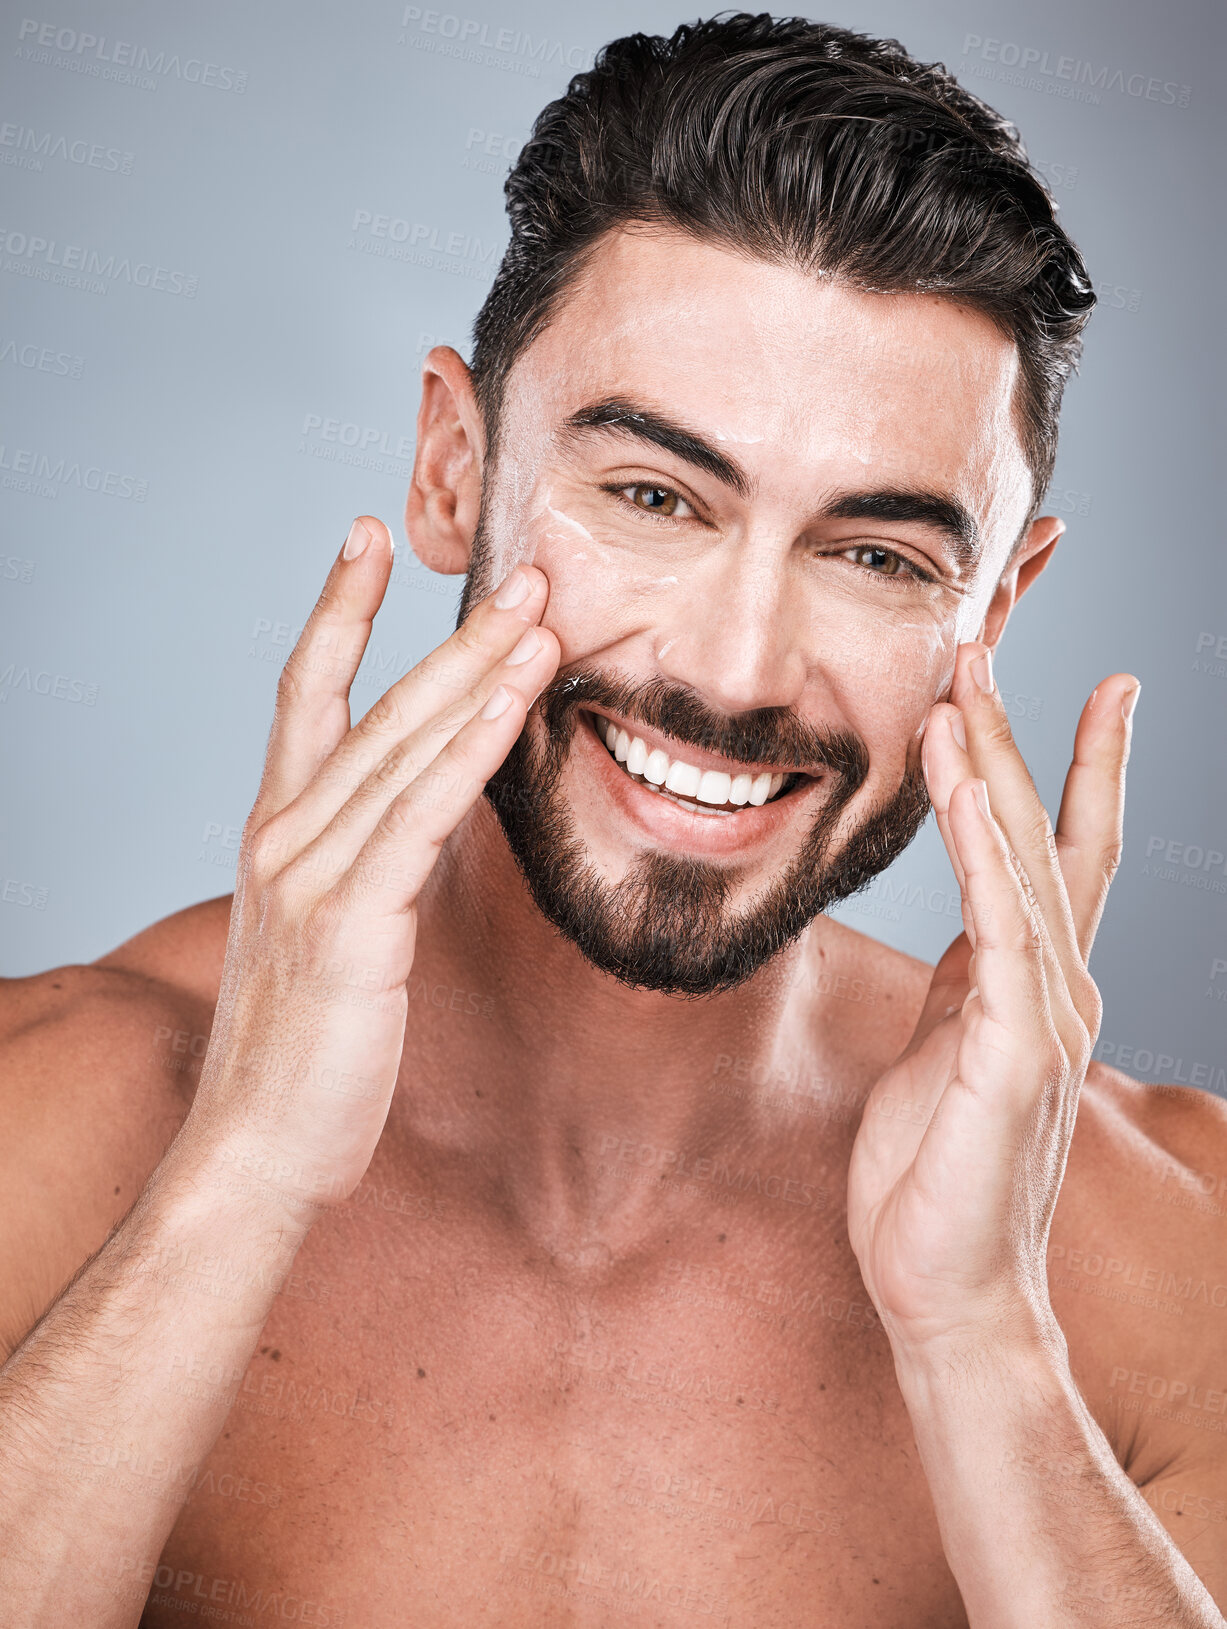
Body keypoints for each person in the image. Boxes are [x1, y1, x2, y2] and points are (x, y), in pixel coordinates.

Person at [1, 14, 1224, 1627]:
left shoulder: (1169, 1255)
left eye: (877, 555)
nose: (733, 668)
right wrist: (234, 1182)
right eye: (653, 498)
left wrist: (983, 1335)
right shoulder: (48, 1133)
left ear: (995, 607)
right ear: (456, 467)